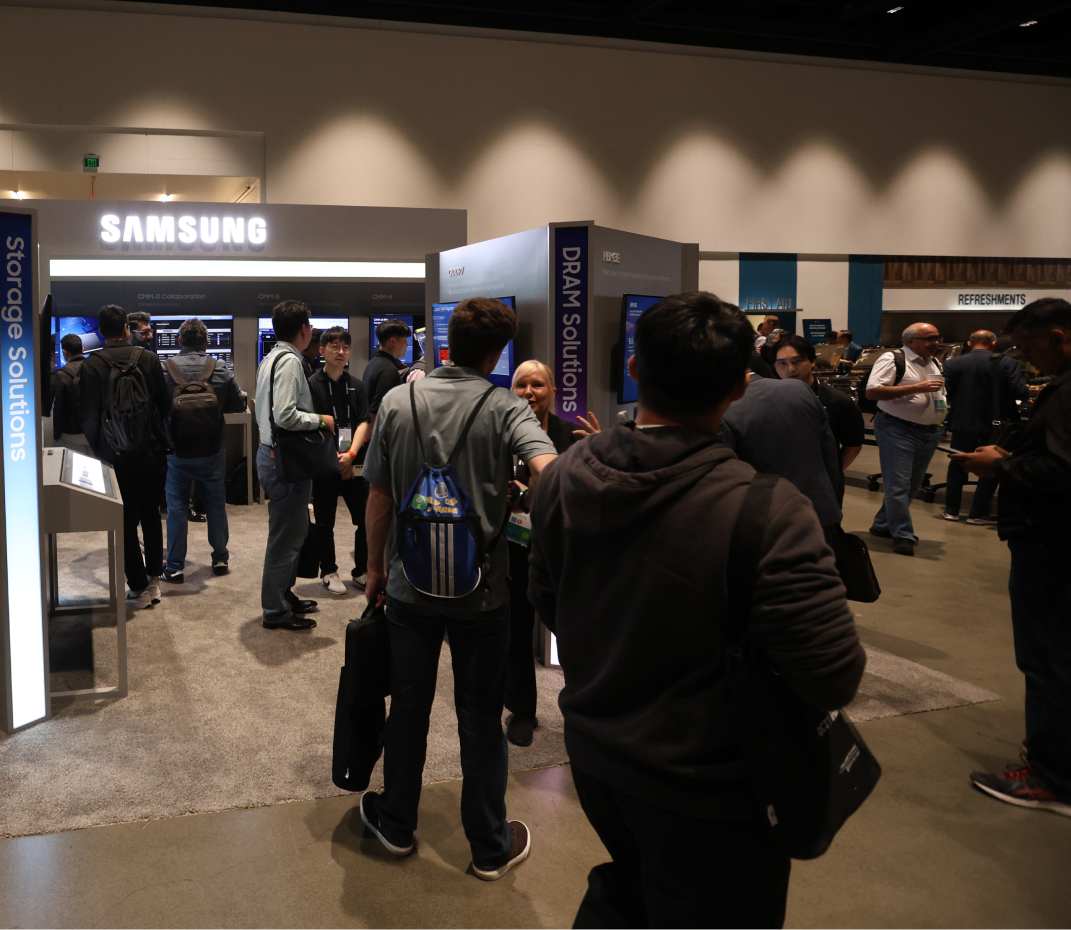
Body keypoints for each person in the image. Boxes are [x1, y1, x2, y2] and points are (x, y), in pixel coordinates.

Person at [531, 291, 864, 928]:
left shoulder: (565, 474)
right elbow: (831, 674)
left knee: (631, 886)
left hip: (597, 755)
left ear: (633, 369)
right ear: (742, 386)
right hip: (711, 787)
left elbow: (549, 600)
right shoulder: (769, 509)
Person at [359, 298, 556, 879]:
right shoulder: (506, 407)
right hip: (484, 595)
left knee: (409, 708)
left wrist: (375, 569)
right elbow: (548, 470)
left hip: (408, 590)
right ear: (498, 353)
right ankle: (489, 849)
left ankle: (396, 825)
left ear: (446, 342)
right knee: (478, 718)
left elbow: (378, 500)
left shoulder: (398, 400)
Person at [952, 298, 1071, 817]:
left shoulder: (1067, 393)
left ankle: (1051, 778)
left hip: (1052, 544)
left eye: (1030, 347)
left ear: (1059, 336)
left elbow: (1063, 474)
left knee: (1047, 658)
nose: (1025, 359)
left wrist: (1001, 468)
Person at [503, 360, 598, 746]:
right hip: (512, 549)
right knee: (515, 633)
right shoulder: (498, 434)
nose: (530, 392)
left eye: (538, 385)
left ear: (553, 391)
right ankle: (522, 709)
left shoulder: (571, 435)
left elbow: (583, 495)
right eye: (521, 384)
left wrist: (600, 449)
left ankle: (585, 709)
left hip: (561, 551)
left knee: (573, 631)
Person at [77, 305, 172, 608]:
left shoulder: (92, 365)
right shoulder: (148, 359)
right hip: (152, 453)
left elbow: (89, 417)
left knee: (124, 520)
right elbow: (165, 405)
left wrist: (104, 453)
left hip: (116, 457)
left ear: (101, 332)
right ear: (126, 330)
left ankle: (138, 586)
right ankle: (156, 581)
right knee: (151, 515)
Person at [253, 300, 333, 631]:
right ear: (303, 329)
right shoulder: (288, 362)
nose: (312, 332)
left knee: (295, 531)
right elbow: (285, 414)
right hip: (283, 461)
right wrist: (320, 419)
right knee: (285, 537)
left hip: (275, 456)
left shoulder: (272, 358)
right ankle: (275, 610)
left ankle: (284, 595)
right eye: (311, 327)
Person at [721, 367, 846, 551]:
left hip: (766, 522)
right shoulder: (799, 389)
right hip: (820, 507)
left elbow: (725, 478)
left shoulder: (722, 410)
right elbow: (829, 454)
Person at [161, 318, 243, 583]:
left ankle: (174, 567)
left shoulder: (165, 369)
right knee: (216, 506)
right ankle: (220, 558)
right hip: (212, 450)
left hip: (177, 451)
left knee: (176, 509)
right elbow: (238, 405)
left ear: (179, 341)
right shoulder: (219, 368)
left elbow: (156, 407)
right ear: (207, 342)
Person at [866, 322, 948, 556]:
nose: (935, 342)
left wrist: (940, 418)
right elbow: (873, 392)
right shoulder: (893, 359)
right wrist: (918, 387)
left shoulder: (933, 361)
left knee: (911, 484)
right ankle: (902, 534)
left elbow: (938, 393)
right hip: (898, 429)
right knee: (898, 485)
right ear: (909, 341)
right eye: (929, 338)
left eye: (937, 337)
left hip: (930, 432)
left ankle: (882, 524)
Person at [302, 327, 370, 596]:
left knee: (366, 519)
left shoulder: (357, 384)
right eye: (335, 347)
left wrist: (350, 455)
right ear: (322, 350)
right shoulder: (311, 385)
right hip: (325, 463)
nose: (341, 352)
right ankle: (328, 570)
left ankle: (362, 571)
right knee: (324, 521)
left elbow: (363, 421)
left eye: (345, 347)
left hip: (355, 462)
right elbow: (309, 425)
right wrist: (334, 459)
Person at [940, 330, 1027, 527]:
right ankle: (977, 513)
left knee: (957, 464)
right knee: (992, 464)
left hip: (962, 421)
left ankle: (951, 510)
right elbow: (1020, 391)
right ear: (993, 343)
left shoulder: (953, 363)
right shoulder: (1006, 362)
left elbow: (946, 392)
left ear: (969, 344)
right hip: (996, 423)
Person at [775, 335, 866, 476]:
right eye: (782, 363)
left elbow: (853, 445)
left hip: (821, 483)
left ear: (812, 362)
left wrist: (831, 475)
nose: (790, 369)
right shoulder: (768, 399)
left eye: (797, 361)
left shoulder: (838, 401)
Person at [49, 333, 88, 452]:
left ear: (64, 352)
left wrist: (56, 431)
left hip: (71, 433)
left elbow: (57, 406)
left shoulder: (60, 376)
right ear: (82, 350)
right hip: (95, 431)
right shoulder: (96, 368)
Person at [364, 319, 412, 413]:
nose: (407, 344)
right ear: (393, 341)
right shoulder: (388, 371)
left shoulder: (373, 363)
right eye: (405, 340)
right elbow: (377, 413)